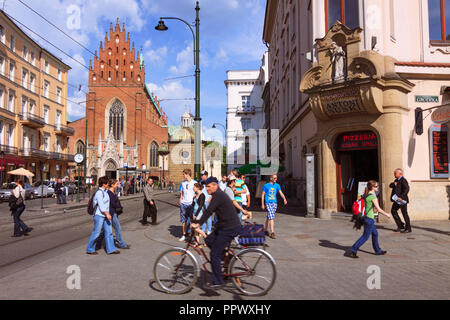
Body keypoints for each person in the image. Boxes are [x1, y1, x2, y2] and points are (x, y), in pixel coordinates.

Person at [191, 177, 241, 290]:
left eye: (208, 186)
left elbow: (209, 211)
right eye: (206, 186)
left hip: (229, 228)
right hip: (224, 226)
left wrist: (198, 223)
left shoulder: (218, 195)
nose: (206, 188)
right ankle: (228, 258)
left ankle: (218, 281)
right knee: (208, 240)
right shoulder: (217, 195)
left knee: (214, 254)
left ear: (215, 186)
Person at [349, 180, 392, 258]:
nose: (377, 187)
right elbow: (378, 209)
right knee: (365, 236)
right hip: (369, 219)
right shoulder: (373, 196)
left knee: (375, 234)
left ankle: (378, 250)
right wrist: (387, 214)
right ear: (372, 187)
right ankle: (353, 249)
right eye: (376, 186)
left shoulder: (367, 195)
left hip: (367, 218)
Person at [86, 176, 120, 255]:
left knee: (109, 232)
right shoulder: (99, 193)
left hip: (105, 215)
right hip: (99, 215)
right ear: (104, 184)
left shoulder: (105, 192)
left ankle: (111, 249)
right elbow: (101, 205)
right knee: (96, 232)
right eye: (107, 183)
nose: (109, 184)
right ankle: (90, 249)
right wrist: (107, 213)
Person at [261, 174, 287, 239]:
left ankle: (265, 230)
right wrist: (262, 204)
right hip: (268, 203)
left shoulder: (277, 185)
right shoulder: (266, 185)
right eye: (274, 178)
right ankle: (272, 232)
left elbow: (280, 192)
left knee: (269, 216)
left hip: (274, 203)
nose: (276, 179)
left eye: (276, 178)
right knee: (271, 216)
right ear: (271, 178)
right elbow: (262, 195)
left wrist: (284, 198)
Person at [108, 179, 130, 249]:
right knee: (118, 227)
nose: (118, 185)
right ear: (112, 185)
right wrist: (119, 207)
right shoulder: (109, 193)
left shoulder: (113, 192)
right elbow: (112, 204)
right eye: (117, 184)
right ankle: (121, 244)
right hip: (111, 213)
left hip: (114, 212)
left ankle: (97, 243)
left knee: (106, 229)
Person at [390, 169, 411, 233]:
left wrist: (401, 197)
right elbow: (390, 185)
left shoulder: (403, 180)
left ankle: (408, 228)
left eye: (395, 173)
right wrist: (394, 184)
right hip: (396, 200)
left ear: (400, 174)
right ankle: (400, 225)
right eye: (394, 173)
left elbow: (406, 189)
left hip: (402, 200)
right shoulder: (396, 180)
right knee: (393, 211)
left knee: (404, 213)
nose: (394, 174)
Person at [179, 169, 197, 242]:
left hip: (190, 204)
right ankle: (184, 234)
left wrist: (194, 199)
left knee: (192, 221)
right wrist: (181, 198)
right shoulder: (183, 183)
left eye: (184, 174)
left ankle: (192, 235)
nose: (183, 176)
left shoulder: (194, 183)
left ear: (187, 174)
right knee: (183, 220)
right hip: (183, 203)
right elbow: (182, 192)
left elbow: (197, 192)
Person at [200, 170, 212, 235]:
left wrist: (210, 198)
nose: (201, 176)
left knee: (208, 216)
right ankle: (203, 230)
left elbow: (213, 191)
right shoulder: (201, 182)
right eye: (201, 175)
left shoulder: (210, 182)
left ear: (206, 175)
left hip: (207, 201)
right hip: (202, 201)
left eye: (202, 175)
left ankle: (209, 230)